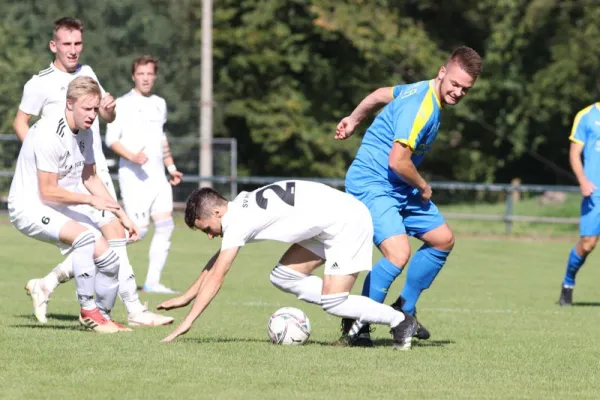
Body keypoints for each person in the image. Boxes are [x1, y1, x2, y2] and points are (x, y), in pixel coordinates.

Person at [14, 17, 173, 327]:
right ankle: (116, 311)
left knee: (112, 236)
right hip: (60, 178)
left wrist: (109, 110)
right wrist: (37, 160)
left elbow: (105, 116)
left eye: (78, 44)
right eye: (67, 44)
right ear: (54, 45)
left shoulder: (87, 74)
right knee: (99, 238)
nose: (73, 50)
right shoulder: (39, 84)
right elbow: (21, 122)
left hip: (91, 169)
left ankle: (63, 291)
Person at [155, 180, 418, 349]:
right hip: (329, 221)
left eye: (207, 229)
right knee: (283, 276)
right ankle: (352, 308)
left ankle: (400, 321)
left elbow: (218, 275)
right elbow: (217, 261)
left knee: (333, 301)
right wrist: (186, 297)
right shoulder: (240, 206)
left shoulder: (237, 221)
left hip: (345, 222)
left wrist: (188, 322)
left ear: (216, 213)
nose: (211, 235)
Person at [335, 46, 483, 345]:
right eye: (454, 84)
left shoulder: (422, 89)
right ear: (442, 72)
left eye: (465, 89)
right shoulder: (422, 108)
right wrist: (425, 186)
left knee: (442, 240)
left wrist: (353, 119)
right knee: (398, 253)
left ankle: (405, 309)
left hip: (398, 185)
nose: (458, 92)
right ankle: (357, 324)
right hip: (373, 183)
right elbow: (397, 161)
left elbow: (378, 94)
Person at [9, 76, 138, 333]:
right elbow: (47, 191)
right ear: (69, 104)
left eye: (95, 109)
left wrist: (121, 214)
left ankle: (102, 315)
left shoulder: (86, 133)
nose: (92, 115)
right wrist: (91, 200)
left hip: (53, 204)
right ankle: (88, 311)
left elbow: (89, 177)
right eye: (87, 109)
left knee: (110, 259)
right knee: (85, 239)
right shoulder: (48, 133)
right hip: (28, 206)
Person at [105, 55, 183, 294]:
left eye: (150, 74)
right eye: (141, 74)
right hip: (134, 177)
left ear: (155, 76)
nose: (146, 78)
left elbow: (161, 139)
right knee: (139, 230)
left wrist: (171, 168)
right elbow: (110, 140)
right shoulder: (122, 103)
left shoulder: (160, 103)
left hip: (159, 178)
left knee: (166, 226)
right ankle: (95, 258)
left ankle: (152, 282)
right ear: (133, 76)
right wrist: (132, 156)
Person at [558, 103, 600, 305]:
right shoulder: (586, 116)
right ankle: (568, 282)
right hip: (595, 193)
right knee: (588, 243)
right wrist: (583, 180)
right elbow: (575, 153)